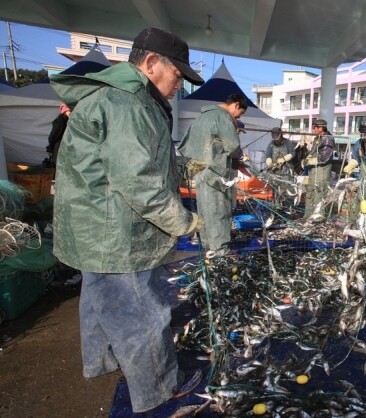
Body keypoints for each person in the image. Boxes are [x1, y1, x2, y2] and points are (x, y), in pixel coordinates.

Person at [49, 27, 206, 413]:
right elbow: (136, 180)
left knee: (101, 298)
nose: (179, 85)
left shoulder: (116, 97)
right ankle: (160, 387)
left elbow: (133, 157)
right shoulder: (127, 102)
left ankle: (103, 361)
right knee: (142, 312)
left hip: (91, 228)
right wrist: (182, 221)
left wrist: (183, 165)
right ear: (152, 63)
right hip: (115, 230)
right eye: (177, 76)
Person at [178, 93, 248, 253]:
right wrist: (239, 157)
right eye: (241, 113)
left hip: (200, 175)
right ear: (236, 105)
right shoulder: (223, 118)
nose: (238, 116)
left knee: (204, 211)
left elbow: (184, 147)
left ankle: (207, 248)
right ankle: (220, 252)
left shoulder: (199, 119)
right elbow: (233, 147)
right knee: (219, 213)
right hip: (217, 175)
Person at [304, 119, 335, 217]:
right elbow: (313, 151)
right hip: (313, 170)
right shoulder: (317, 138)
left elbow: (324, 158)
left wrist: (311, 161)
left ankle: (318, 217)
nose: (313, 130)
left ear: (321, 128)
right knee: (310, 191)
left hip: (322, 171)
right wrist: (308, 157)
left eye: (315, 128)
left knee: (319, 192)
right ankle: (308, 215)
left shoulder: (327, 139)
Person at [43, 103, 72, 167]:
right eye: (68, 110)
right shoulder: (60, 121)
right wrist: (51, 147)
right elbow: (52, 137)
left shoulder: (71, 120)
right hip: (60, 148)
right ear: (64, 111)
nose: (70, 112)